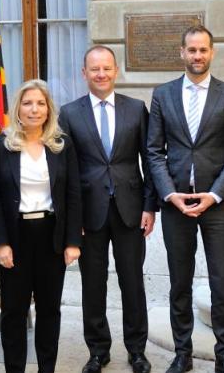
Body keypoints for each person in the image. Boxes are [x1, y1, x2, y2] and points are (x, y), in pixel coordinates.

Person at [146, 25, 224, 373]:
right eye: (192, 50)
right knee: (179, 282)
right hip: (176, 203)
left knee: (221, 282)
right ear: (182, 52)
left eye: (203, 50)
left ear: (212, 52)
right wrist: (169, 194)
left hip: (217, 204)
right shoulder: (163, 94)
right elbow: (154, 151)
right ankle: (182, 353)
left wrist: (215, 194)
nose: (197, 55)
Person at [59, 45, 158, 373]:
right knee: (93, 284)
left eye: (106, 68)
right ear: (84, 73)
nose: (101, 74)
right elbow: (65, 170)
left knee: (133, 283)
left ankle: (137, 350)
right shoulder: (69, 113)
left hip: (131, 211)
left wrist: (150, 207)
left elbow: (150, 160)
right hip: (89, 214)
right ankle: (98, 351)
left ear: (116, 71)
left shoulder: (136, 109)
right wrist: (72, 219)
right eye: (94, 69)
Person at [0, 79, 83, 373]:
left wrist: (73, 241)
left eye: (40, 103)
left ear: (49, 109)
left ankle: (46, 369)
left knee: (50, 309)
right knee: (14, 311)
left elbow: (73, 194)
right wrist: (0, 243)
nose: (34, 109)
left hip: (51, 236)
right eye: (27, 103)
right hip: (14, 238)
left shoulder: (61, 145)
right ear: (18, 109)